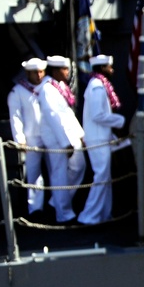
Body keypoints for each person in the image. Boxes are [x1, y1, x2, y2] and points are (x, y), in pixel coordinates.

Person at [78, 55, 126, 225]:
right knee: (100, 177)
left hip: (101, 137)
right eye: (109, 67)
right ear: (102, 68)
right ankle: (89, 216)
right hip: (97, 139)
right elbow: (98, 115)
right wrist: (120, 121)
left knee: (104, 178)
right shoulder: (97, 87)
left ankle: (103, 215)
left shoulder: (96, 84)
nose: (112, 70)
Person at [38, 55, 85, 223]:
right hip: (57, 139)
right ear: (56, 71)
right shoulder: (47, 89)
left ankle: (55, 202)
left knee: (79, 167)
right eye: (65, 69)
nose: (68, 72)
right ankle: (64, 214)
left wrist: (80, 134)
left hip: (69, 136)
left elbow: (67, 113)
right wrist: (65, 143)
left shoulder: (59, 87)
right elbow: (54, 117)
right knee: (59, 175)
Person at [7, 57, 47, 216]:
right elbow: (15, 117)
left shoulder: (49, 87)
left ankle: (58, 207)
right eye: (35, 72)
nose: (38, 75)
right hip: (31, 138)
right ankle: (35, 209)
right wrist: (20, 139)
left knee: (59, 171)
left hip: (50, 136)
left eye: (41, 72)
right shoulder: (18, 92)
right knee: (34, 174)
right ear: (27, 73)